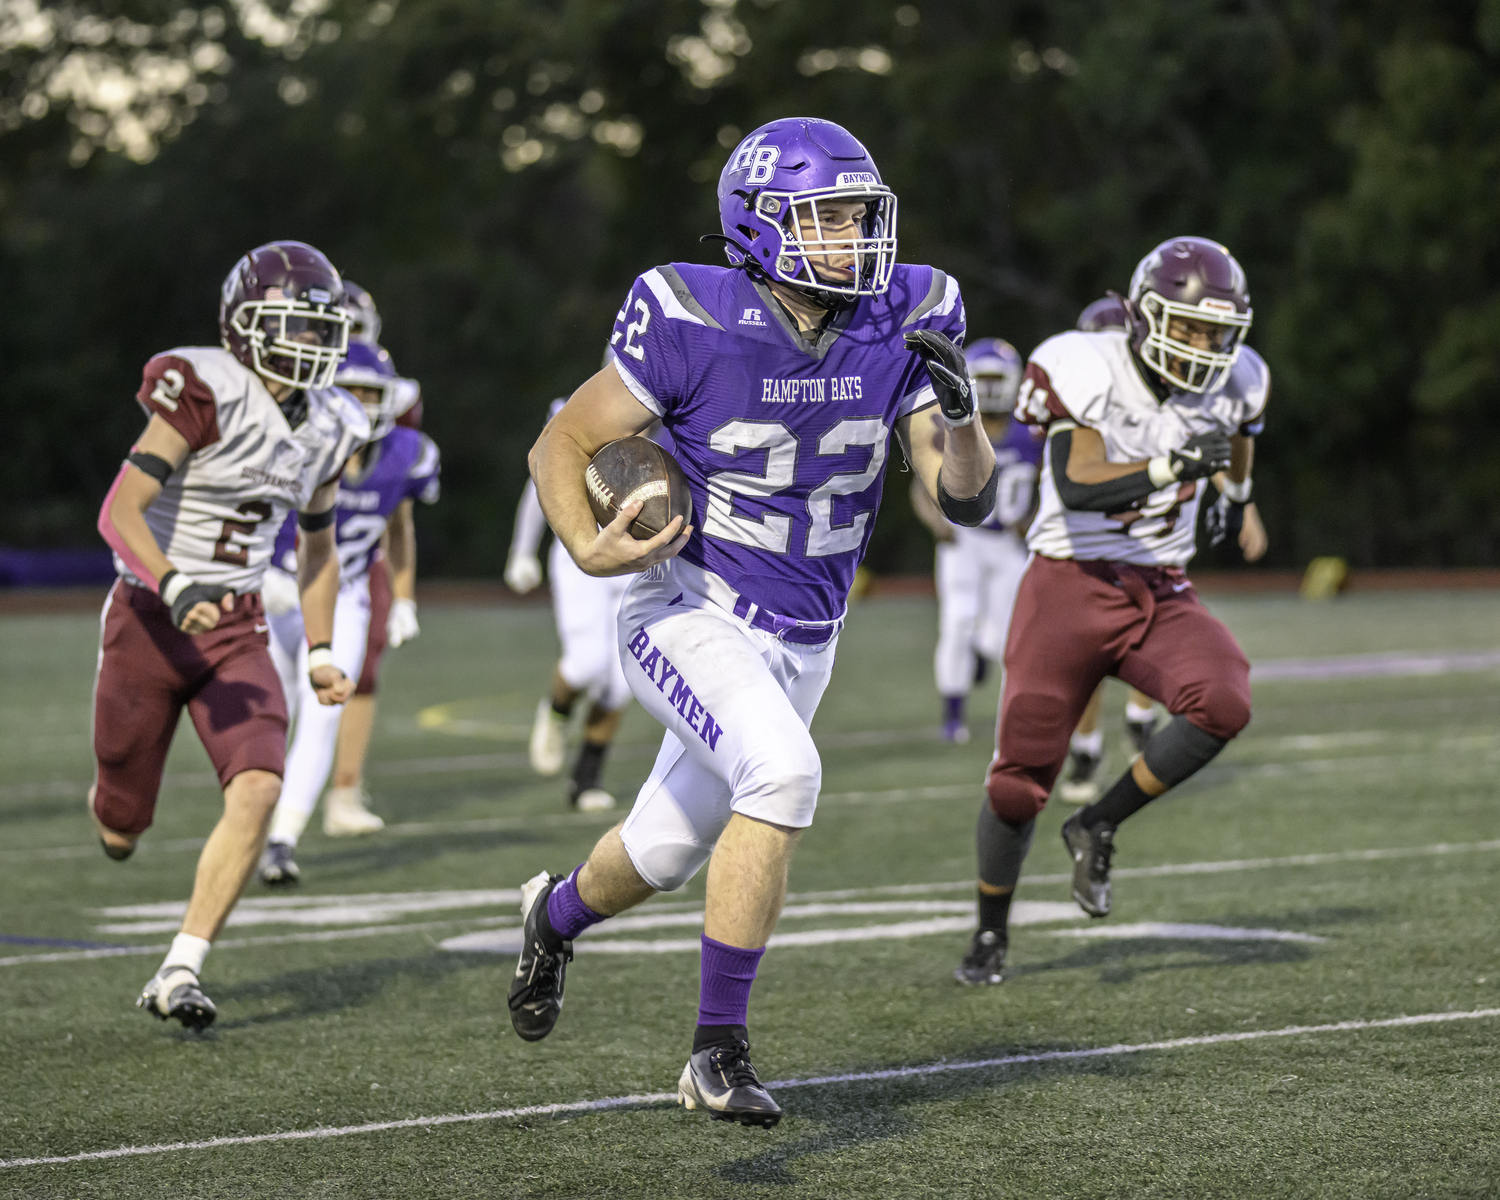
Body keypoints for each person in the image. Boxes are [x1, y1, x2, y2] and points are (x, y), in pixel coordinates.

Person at [513, 117, 997, 1126]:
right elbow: (563, 439)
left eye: (861, 214)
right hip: (688, 606)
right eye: (828, 218)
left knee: (660, 850)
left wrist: (961, 419)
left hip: (808, 634)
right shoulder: (690, 311)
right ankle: (715, 1052)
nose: (856, 236)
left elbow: (967, 502)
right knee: (782, 772)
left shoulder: (907, 311)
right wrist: (584, 544)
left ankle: (551, 920)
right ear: (761, 224)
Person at [954, 236, 1270, 987]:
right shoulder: (1084, 362)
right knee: (1018, 783)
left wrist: (1236, 496)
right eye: (1185, 326)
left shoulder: (1243, 378)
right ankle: (990, 931)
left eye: (1214, 331)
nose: (1201, 346)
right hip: (1069, 583)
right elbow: (1080, 480)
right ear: (1142, 317)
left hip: (1159, 587)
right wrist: (1174, 467)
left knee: (1223, 698)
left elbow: (1241, 439)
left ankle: (1097, 821)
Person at [91, 241, 367, 1028]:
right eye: (296, 326)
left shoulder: (333, 423)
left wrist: (317, 650)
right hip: (150, 620)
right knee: (119, 827)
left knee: (259, 788)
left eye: (322, 329)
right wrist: (174, 585)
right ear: (246, 326)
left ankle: (181, 967)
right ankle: (116, 812)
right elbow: (120, 511)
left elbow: (318, 545)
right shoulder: (203, 385)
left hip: (239, 627)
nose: (314, 344)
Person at [258, 341, 441, 883]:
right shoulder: (294, 438)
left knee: (323, 714)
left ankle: (281, 840)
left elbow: (400, 527)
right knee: (273, 712)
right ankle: (252, 817)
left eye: (370, 391)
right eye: (350, 389)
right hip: (273, 590)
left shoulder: (407, 451)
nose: (361, 401)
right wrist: (258, 572)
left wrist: (404, 598)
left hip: (345, 595)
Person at [321, 282, 426, 829]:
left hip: (363, 552)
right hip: (292, 549)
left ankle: (344, 788)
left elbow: (398, 502)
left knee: (360, 670)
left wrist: (403, 593)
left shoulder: (390, 393)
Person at [1056, 295, 1168, 802]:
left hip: (1142, 540)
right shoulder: (1070, 404)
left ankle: (1142, 720)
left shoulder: (1157, 405)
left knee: (1153, 630)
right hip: (1083, 545)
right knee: (1086, 654)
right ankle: (1087, 748)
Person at [507, 391, 639, 813]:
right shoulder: (585, 406)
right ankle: (558, 710)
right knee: (586, 663)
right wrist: (522, 550)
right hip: (581, 546)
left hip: (638, 556)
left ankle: (586, 779)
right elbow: (544, 475)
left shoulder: (686, 414)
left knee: (621, 685)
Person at [910, 338, 1041, 744]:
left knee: (1005, 636)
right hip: (964, 540)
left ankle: (989, 673)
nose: (990, 386)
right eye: (982, 378)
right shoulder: (959, 425)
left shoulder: (1032, 433)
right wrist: (937, 521)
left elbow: (1047, 487)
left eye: (995, 378)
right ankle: (953, 716)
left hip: (1007, 544)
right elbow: (922, 481)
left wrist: (1033, 522)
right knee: (957, 622)